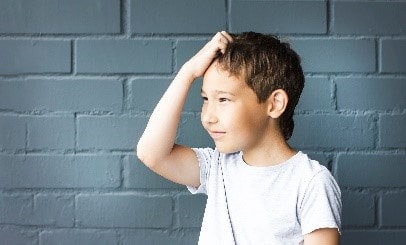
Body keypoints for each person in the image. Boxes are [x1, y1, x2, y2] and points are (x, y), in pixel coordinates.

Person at [137, 31, 341, 244]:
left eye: (223, 99)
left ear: (274, 104)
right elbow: (151, 154)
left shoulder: (311, 182)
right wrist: (187, 72)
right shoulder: (216, 167)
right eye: (206, 99)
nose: (208, 117)